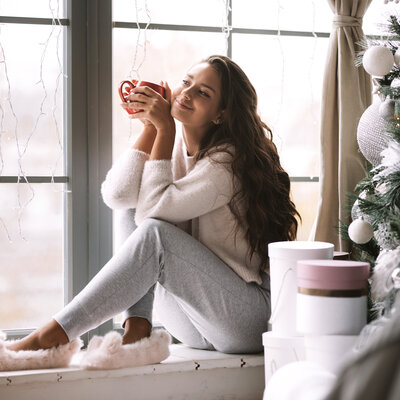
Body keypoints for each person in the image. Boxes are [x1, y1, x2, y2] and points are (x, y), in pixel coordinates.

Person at [2, 55, 299, 370]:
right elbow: (118, 196)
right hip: (197, 322)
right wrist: (150, 130)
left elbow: (154, 213)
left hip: (245, 318)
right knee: (134, 208)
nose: (186, 93)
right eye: (186, 82)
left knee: (155, 231)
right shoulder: (174, 148)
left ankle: (51, 337)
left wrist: (165, 127)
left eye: (204, 93)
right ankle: (137, 330)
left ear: (221, 114)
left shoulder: (228, 162)